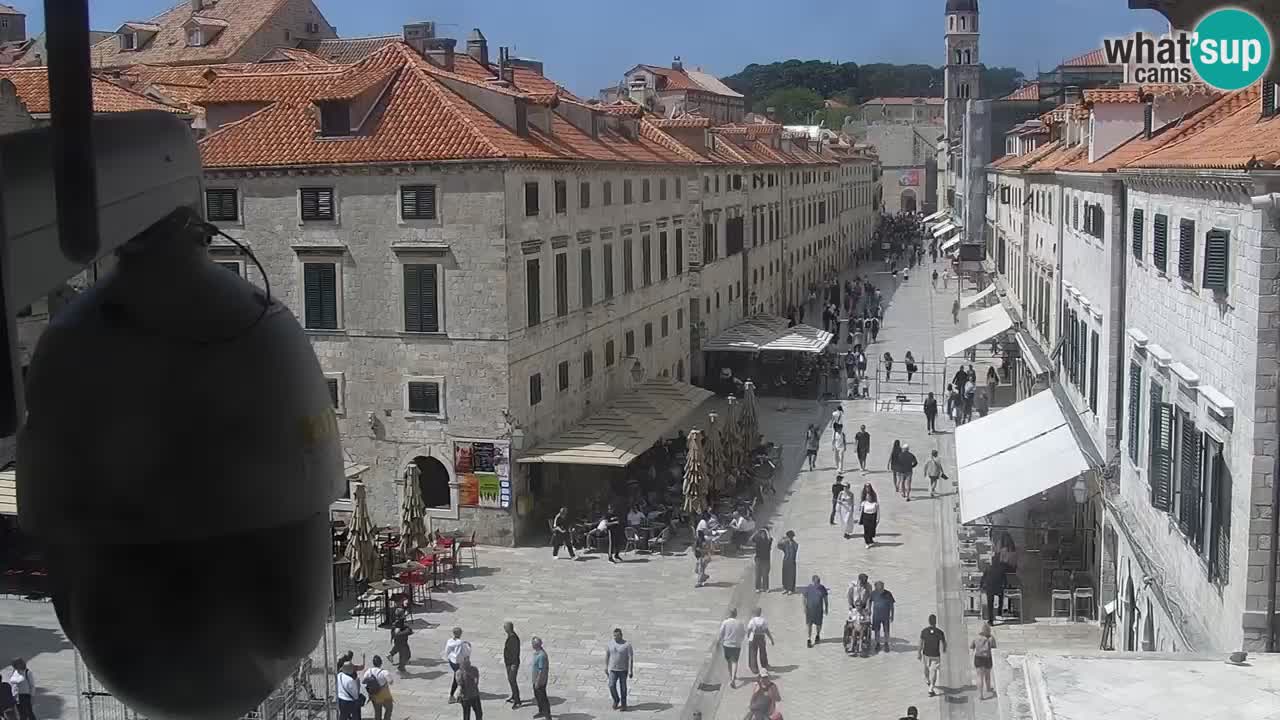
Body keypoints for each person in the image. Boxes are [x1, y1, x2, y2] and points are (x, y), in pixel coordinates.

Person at [605, 628, 635, 711]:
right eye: (614, 636)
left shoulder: (627, 645)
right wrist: (606, 666)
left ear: (621, 635)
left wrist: (630, 670)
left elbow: (630, 658)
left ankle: (624, 704)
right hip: (613, 669)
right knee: (611, 685)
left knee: (623, 688)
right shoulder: (610, 643)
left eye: (617, 636)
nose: (615, 637)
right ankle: (616, 699)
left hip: (623, 670)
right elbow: (607, 655)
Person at [919, 614, 947, 697]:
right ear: (935, 622)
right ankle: (931, 688)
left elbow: (921, 642)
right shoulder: (940, 632)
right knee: (934, 670)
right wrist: (944, 649)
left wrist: (918, 652)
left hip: (926, 654)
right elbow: (943, 642)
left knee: (926, 667)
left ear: (929, 621)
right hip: (935, 654)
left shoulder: (924, 631)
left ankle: (927, 680)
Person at [718, 608, 747, 688]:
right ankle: (733, 679)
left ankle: (731, 676)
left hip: (727, 644)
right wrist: (739, 640)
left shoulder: (725, 622)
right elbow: (743, 634)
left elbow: (721, 633)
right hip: (736, 645)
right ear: (736, 614)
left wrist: (721, 640)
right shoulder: (740, 623)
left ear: (729, 614)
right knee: (735, 661)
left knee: (729, 662)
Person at [444, 627, 471, 703]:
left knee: (458, 677)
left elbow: (447, 651)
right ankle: (455, 696)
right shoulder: (462, 644)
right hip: (460, 663)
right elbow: (467, 653)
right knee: (459, 679)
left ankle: (459, 694)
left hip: (452, 661)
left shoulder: (450, 641)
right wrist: (468, 645)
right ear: (460, 633)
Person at [801, 575, 830, 647]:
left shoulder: (822, 588)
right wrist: (804, 607)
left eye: (819, 582)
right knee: (809, 625)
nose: (818, 583)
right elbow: (804, 597)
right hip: (810, 610)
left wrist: (826, 608)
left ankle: (817, 635)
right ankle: (809, 639)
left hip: (819, 610)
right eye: (817, 582)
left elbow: (825, 599)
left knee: (819, 625)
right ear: (813, 581)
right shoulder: (808, 588)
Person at [363, 656, 394, 720]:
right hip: (384, 694)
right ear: (381, 663)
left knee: (377, 711)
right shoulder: (384, 672)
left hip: (374, 694)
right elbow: (391, 682)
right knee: (389, 708)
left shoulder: (368, 671)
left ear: (373, 663)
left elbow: (364, 681)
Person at [746, 607, 775, 675]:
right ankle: (764, 664)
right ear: (760, 612)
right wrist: (771, 639)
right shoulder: (763, 620)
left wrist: (748, 636)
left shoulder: (752, 621)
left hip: (753, 638)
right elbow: (766, 630)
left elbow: (749, 630)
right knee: (763, 652)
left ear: (754, 613)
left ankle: (754, 668)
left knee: (753, 653)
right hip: (761, 637)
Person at [972, 623, 997, 700]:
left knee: (979, 677)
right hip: (987, 658)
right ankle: (988, 688)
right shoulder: (991, 638)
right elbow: (994, 648)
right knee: (987, 675)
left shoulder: (976, 637)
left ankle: (980, 695)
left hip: (978, 658)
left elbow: (971, 646)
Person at [869, 580, 896, 652]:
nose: (881, 589)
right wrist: (869, 610)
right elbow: (870, 601)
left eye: (882, 587)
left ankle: (886, 643)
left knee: (886, 630)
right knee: (876, 631)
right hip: (876, 616)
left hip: (886, 616)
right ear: (876, 588)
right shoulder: (873, 593)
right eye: (880, 588)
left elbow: (892, 605)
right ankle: (877, 643)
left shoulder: (888, 594)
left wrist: (892, 615)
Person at [455, 655, 482, 720]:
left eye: (467, 659)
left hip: (474, 695)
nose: (467, 661)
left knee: (479, 713)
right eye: (465, 659)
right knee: (467, 715)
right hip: (466, 697)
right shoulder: (459, 672)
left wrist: (467, 673)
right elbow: (460, 684)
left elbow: (476, 681)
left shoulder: (474, 669)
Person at [981, 558, 1008, 624]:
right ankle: (999, 612)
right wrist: (1004, 587)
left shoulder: (988, 568)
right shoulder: (1001, 569)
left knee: (990, 605)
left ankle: (991, 620)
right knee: (1001, 598)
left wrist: (981, 586)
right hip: (998, 589)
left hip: (989, 589)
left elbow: (983, 578)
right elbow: (1005, 580)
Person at [502, 621, 522, 708]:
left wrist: (514, 665)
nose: (504, 628)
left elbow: (515, 652)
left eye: (505, 627)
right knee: (510, 680)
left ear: (508, 628)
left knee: (512, 681)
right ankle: (514, 696)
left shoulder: (513, 639)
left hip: (512, 664)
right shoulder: (511, 636)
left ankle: (517, 701)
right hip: (509, 663)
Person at [530, 637, 551, 719]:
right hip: (535, 680)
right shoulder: (537, 653)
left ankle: (547, 716)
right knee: (538, 697)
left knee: (542, 698)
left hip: (540, 681)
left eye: (533, 643)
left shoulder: (541, 656)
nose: (531, 645)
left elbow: (541, 671)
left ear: (536, 645)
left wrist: (538, 682)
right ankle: (541, 711)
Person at [752, 528, 773, 592]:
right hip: (758, 559)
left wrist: (767, 531)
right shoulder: (758, 540)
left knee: (765, 575)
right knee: (758, 574)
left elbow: (770, 538)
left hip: (766, 559)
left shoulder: (768, 541)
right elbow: (752, 539)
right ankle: (757, 588)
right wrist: (756, 532)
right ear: (760, 535)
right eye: (761, 534)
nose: (763, 535)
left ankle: (766, 588)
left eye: (764, 534)